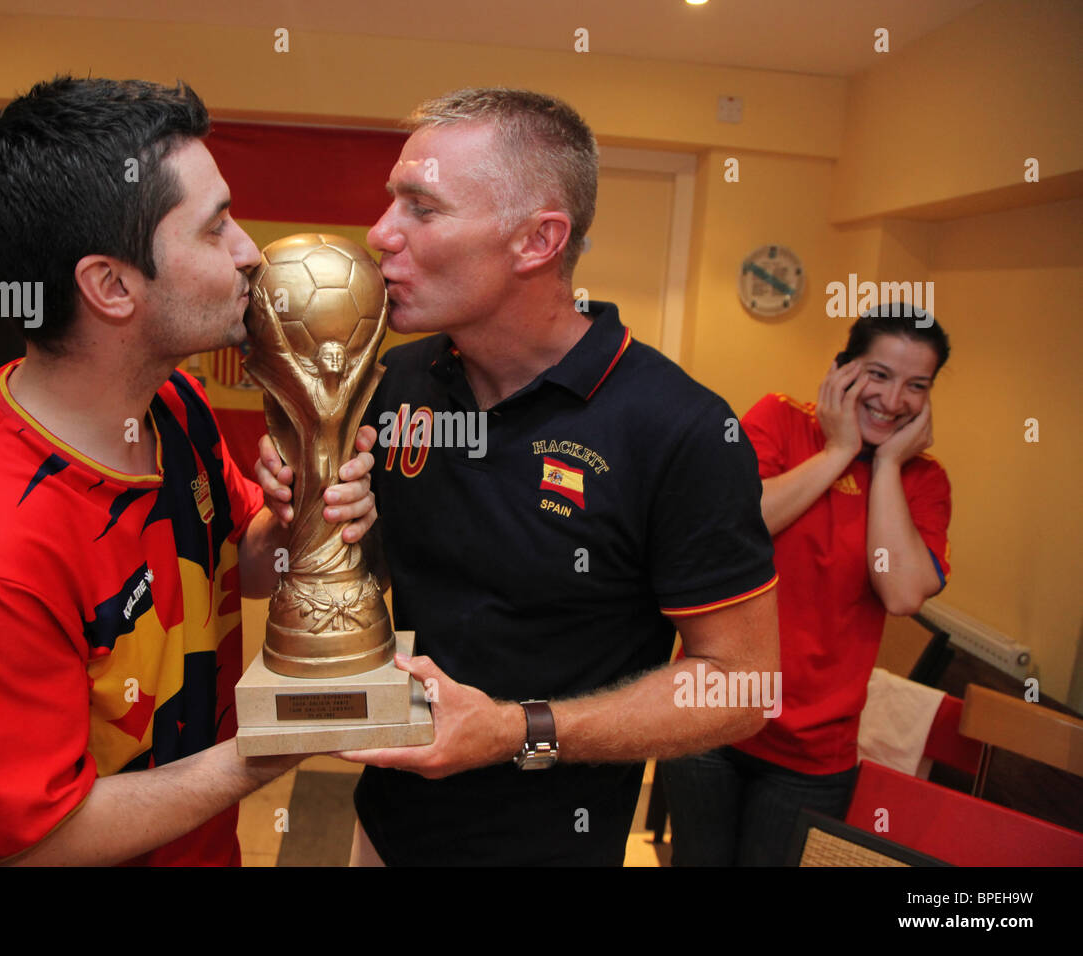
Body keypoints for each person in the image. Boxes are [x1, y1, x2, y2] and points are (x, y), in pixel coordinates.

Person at [0, 76, 378, 866]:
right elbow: (38, 841)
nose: (249, 254)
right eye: (216, 229)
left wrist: (309, 514)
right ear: (110, 286)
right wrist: (272, 747)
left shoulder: (178, 407)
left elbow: (246, 562)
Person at [255, 87, 780, 866]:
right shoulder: (399, 379)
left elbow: (741, 688)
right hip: (385, 830)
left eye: (421, 208)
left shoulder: (681, 429)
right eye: (389, 201)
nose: (379, 233)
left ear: (537, 240)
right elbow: (266, 575)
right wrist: (301, 515)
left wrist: (519, 730)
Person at [660, 304, 953, 866]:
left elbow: (901, 593)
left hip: (815, 752)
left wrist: (887, 466)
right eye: (879, 375)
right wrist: (839, 451)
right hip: (712, 713)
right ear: (841, 369)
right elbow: (737, 523)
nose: (894, 402)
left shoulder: (925, 479)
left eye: (917, 386)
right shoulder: (780, 419)